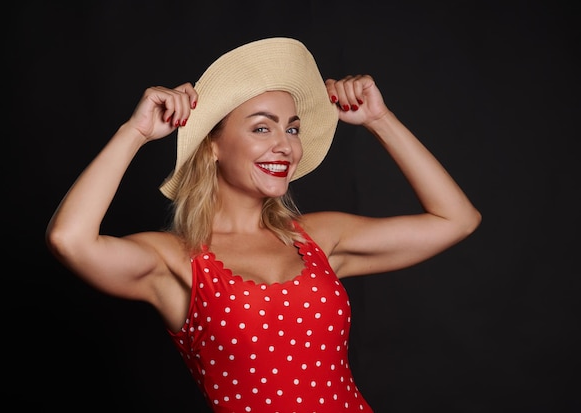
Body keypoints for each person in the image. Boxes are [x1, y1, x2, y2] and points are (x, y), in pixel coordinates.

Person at [46, 37, 481, 412]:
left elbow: (456, 219)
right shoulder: (176, 261)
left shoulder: (315, 238)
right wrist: (135, 132)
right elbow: (70, 240)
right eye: (261, 128)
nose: (285, 146)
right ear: (212, 145)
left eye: (292, 130)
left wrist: (379, 120)